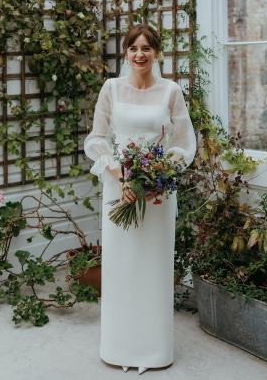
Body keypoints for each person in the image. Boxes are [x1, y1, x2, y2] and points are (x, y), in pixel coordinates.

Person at [83, 23, 197, 375]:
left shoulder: (171, 91)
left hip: (157, 194)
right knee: (121, 266)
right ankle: (118, 347)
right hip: (119, 188)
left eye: (147, 48)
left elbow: (183, 142)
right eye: (134, 48)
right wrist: (120, 173)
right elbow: (98, 137)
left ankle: (154, 350)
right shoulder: (111, 88)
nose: (140, 54)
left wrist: (157, 176)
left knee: (153, 268)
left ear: (156, 53)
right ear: (126, 53)